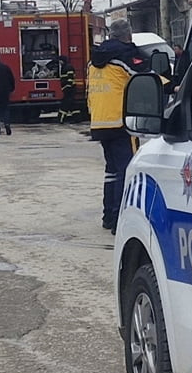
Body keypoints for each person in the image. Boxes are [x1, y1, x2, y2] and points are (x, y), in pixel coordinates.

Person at [87, 19, 150, 234]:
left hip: (99, 121)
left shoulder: (94, 59)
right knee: (127, 169)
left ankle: (109, 216)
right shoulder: (125, 55)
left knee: (111, 171)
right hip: (122, 122)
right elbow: (147, 77)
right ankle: (121, 218)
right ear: (128, 35)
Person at [56, 56, 80, 123]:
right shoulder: (65, 67)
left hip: (70, 89)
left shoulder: (68, 67)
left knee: (65, 104)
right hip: (69, 88)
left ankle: (61, 119)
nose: (59, 62)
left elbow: (70, 78)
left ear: (62, 60)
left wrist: (67, 87)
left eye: (60, 60)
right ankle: (77, 118)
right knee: (72, 104)